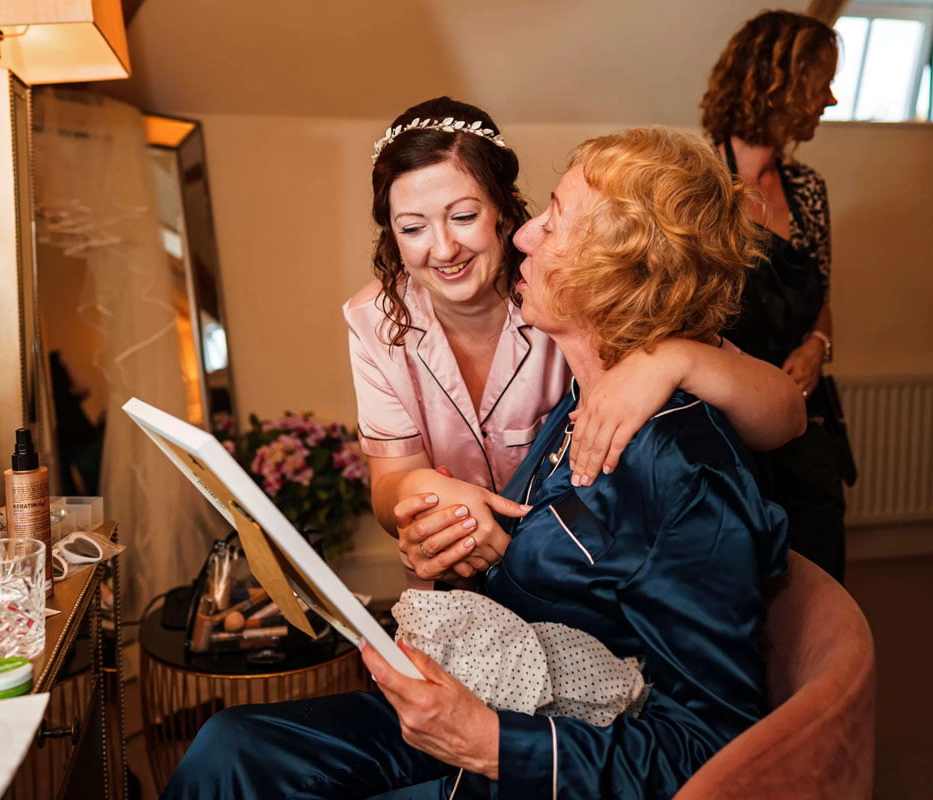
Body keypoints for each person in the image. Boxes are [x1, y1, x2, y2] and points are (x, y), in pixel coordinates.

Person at [161, 127, 788, 799]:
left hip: (535, 741)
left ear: (617, 271)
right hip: (495, 678)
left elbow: (714, 747)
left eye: (551, 225)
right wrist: (444, 533)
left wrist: (491, 743)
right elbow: (549, 549)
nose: (524, 237)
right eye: (414, 226)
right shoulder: (582, 398)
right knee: (230, 748)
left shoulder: (677, 471)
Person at [346, 97, 804, 584]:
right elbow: (388, 486)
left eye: (463, 217)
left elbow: (785, 414)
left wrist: (677, 359)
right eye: (412, 228)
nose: (443, 248)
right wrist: (418, 493)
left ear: (503, 209)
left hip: (577, 586)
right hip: (463, 587)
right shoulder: (373, 319)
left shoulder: (573, 296)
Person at [701, 10, 850, 582]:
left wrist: (818, 343)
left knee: (821, 577)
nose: (830, 99)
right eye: (821, 83)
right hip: (726, 433)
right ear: (775, 82)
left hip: (808, 428)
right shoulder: (700, 182)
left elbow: (822, 297)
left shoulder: (808, 189)